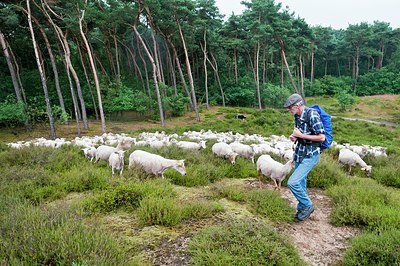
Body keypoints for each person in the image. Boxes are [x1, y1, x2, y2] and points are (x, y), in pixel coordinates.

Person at [284, 93, 325, 221]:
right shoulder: (297, 115)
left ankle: (307, 205)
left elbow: (321, 137)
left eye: (290, 107)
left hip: (310, 154)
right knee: (301, 183)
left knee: (292, 182)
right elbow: (300, 132)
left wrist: (301, 136)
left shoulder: (312, 114)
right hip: (299, 152)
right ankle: (302, 209)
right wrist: (295, 137)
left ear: (298, 105)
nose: (289, 110)